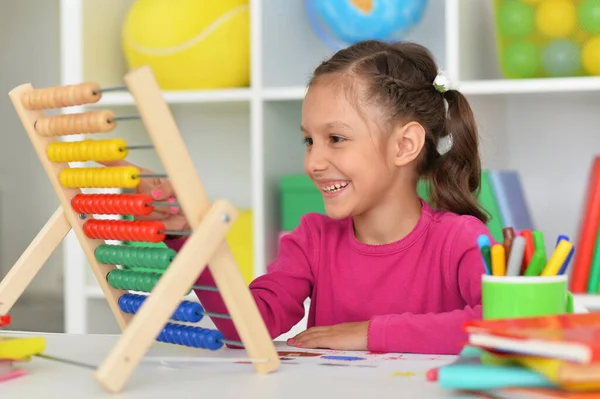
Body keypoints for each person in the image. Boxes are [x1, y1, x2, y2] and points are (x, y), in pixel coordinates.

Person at [105, 40, 493, 355]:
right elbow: (247, 328)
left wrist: (371, 334)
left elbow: (499, 326)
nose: (313, 161)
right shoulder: (313, 239)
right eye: (309, 140)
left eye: (335, 139)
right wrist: (189, 234)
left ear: (405, 144)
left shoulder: (460, 240)